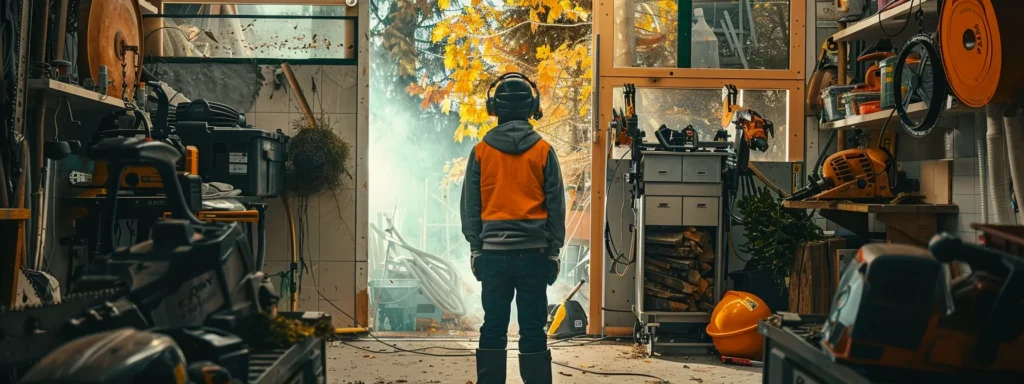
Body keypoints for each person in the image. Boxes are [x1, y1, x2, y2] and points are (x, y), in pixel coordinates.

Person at [461, 72, 565, 384]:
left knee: (493, 325)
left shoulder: (481, 152)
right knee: (533, 327)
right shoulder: (543, 151)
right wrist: (554, 251)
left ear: (494, 108)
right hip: (534, 255)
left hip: (493, 256)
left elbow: (470, 207)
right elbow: (557, 206)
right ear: (533, 106)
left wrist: (476, 249)